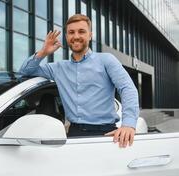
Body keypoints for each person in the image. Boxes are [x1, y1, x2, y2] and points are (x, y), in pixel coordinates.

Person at [19, 14, 139, 148]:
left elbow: (127, 88)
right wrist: (43, 52)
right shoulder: (58, 68)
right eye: (71, 32)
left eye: (81, 31)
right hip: (74, 134)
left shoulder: (106, 60)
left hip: (106, 134)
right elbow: (25, 71)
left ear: (90, 35)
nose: (76, 36)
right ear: (66, 37)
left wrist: (128, 124)